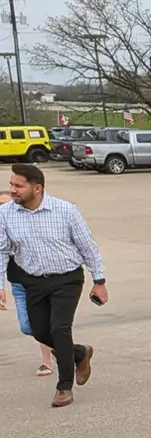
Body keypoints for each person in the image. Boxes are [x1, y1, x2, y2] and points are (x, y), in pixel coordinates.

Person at [0, 163, 108, 408]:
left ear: (37, 188)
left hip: (66, 279)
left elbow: (88, 248)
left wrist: (99, 281)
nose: (13, 190)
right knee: (39, 331)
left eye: (18, 185)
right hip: (33, 281)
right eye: (11, 184)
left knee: (59, 328)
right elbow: (1, 251)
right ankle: (79, 353)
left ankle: (64, 387)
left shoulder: (66, 210)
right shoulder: (6, 214)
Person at [0, 181, 58, 377]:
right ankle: (67, 349)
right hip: (18, 284)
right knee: (27, 326)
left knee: (45, 321)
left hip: (41, 282)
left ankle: (46, 361)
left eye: (7, 205)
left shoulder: (28, 227)